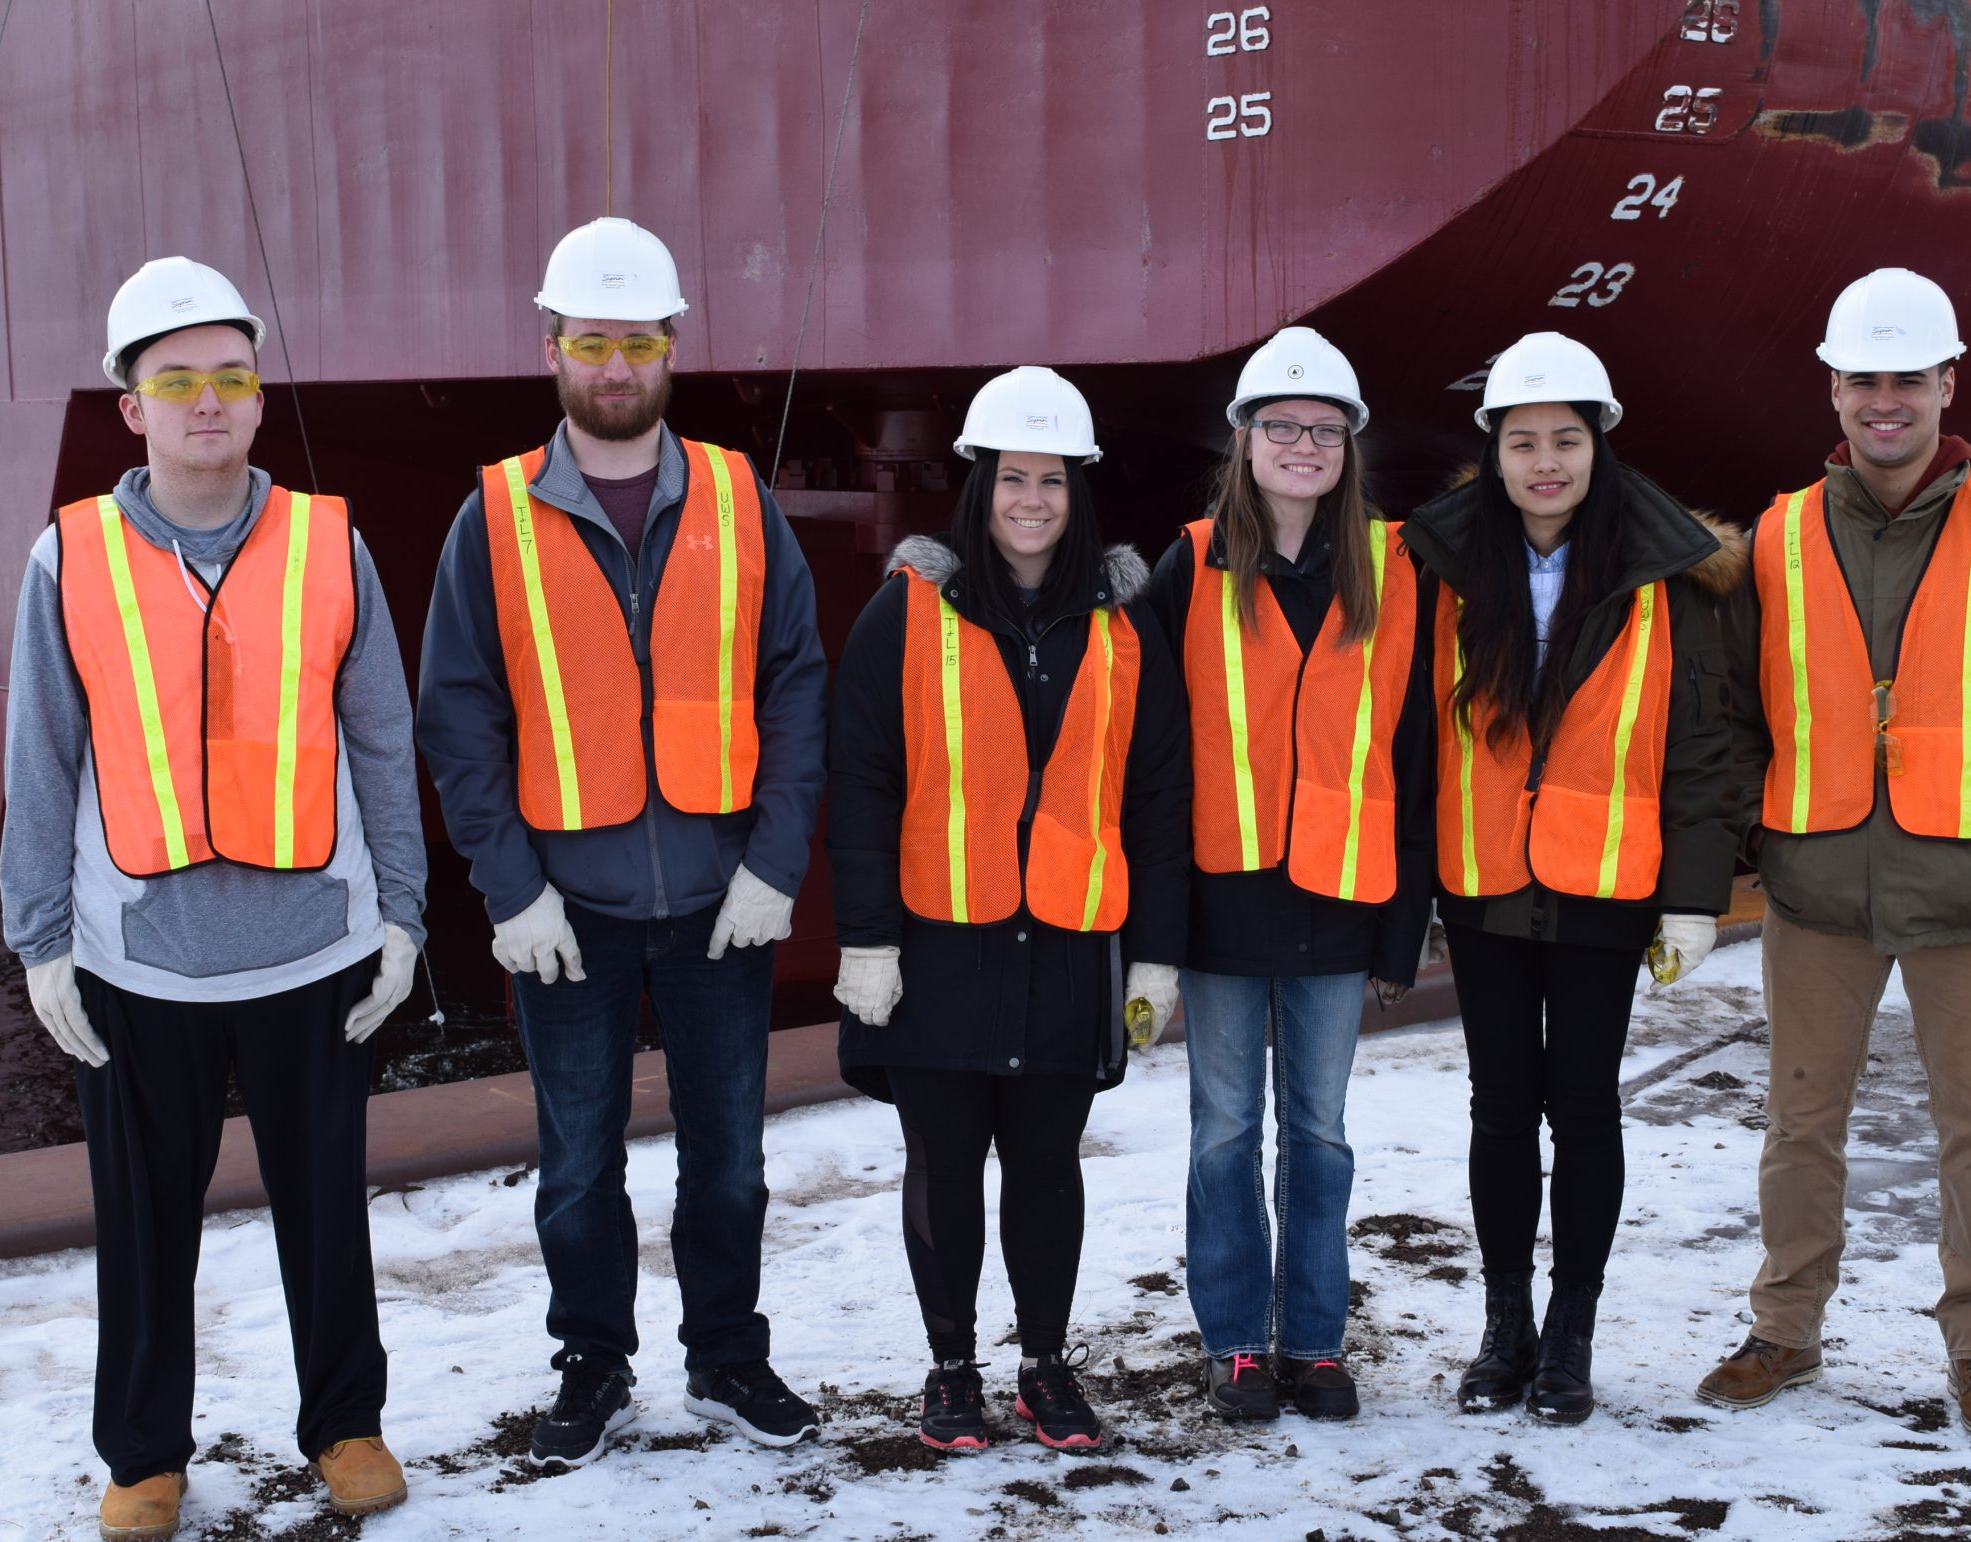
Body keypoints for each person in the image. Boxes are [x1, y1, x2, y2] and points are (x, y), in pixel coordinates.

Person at [1, 257, 428, 1542]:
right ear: (130, 404)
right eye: (176, 380)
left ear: (256, 398)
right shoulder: (66, 556)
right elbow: (42, 755)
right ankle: (143, 1454)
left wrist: (402, 917)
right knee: (141, 1227)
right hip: (142, 958)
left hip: (315, 949)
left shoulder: (326, 542)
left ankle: (345, 1425)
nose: (207, 403)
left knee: (325, 1208)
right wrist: (40, 942)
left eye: (229, 378)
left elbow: (380, 742)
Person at [415, 218, 829, 1463]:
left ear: (671, 348)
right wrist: (510, 888)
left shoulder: (740, 501)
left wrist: (774, 861)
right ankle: (592, 1365)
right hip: (570, 909)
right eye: (590, 341)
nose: (614, 366)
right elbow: (458, 714)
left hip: (719, 901)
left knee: (730, 1163)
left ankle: (728, 1360)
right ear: (551, 347)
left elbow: (798, 684)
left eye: (636, 342)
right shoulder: (491, 516)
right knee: (577, 1164)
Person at [1699, 269, 1971, 1436]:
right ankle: (1784, 1328)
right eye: (1863, 380)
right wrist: (1758, 836)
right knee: (1798, 1121)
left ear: (1947, 382)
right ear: (1832, 390)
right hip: (1817, 885)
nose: (1884, 402)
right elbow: (1734, 706)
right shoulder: (1779, 535)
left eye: (1906, 379)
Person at [825, 367, 1190, 1454]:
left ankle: (1043, 1366)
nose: (1031, 500)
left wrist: (1155, 958)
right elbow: (860, 783)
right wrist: (866, 937)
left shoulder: (1124, 631)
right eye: (1011, 478)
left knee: (1045, 1166)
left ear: (1079, 492)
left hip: (1070, 950)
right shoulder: (905, 615)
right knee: (941, 1163)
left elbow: (1162, 795)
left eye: (1053, 480)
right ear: (978, 486)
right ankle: (951, 1371)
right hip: (936, 950)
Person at [1401, 331, 1746, 1425]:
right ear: (1492, 455)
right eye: (1520, 443)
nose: (1543, 462)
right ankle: (1504, 1328)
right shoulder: (1442, 569)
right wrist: (1407, 897)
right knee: (1501, 1109)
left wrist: (1694, 897)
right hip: (1488, 882)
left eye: (1563, 439)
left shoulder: (1664, 579)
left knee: (1583, 1109)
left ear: (1598, 444)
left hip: (1605, 885)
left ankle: (1570, 1335)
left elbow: (1704, 745)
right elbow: (1409, 737)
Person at [1142, 328, 1431, 1425]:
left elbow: (1411, 755)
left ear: (1348, 445)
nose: (1301, 445)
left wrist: (1404, 927)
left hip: (1339, 900)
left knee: (1319, 1132)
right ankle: (1233, 1344)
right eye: (1281, 426)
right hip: (1221, 901)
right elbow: (1152, 747)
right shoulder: (1191, 563)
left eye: (1322, 428)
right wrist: (1155, 928)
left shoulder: (1396, 569)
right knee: (1223, 1130)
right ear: (1244, 439)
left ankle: (1311, 1341)